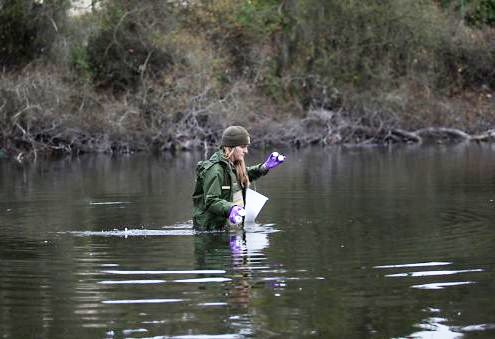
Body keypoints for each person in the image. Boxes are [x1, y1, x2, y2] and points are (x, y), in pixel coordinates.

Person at [192, 125, 285, 231]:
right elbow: (211, 201)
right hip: (211, 232)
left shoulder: (233, 165)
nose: (246, 151)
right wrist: (231, 208)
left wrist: (264, 167)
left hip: (230, 228)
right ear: (231, 147)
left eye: (246, 147)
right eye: (242, 147)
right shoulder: (215, 170)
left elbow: (244, 176)